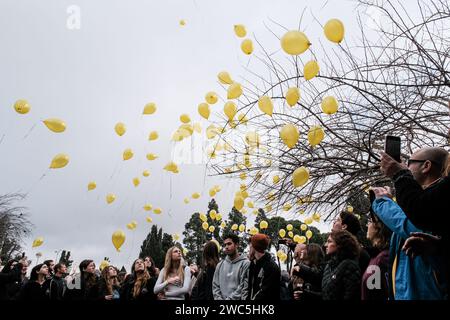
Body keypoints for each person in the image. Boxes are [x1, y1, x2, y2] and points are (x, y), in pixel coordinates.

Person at [380, 147, 449, 290]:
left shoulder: (433, 203)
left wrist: (400, 175)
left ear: (426, 166)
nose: (405, 166)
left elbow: (418, 215)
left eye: (409, 162)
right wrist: (439, 247)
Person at [371, 187, 446, 300]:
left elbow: (414, 229)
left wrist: (383, 203)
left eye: (408, 168)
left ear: (426, 167)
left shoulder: (438, 201)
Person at [322, 230, 361, 300]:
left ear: (340, 244)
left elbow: (351, 296)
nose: (325, 245)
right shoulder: (329, 265)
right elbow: (326, 295)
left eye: (329, 241)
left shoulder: (350, 266)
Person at [361, 211, 391, 300]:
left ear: (378, 226)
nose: (367, 225)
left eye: (370, 221)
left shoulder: (384, 258)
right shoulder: (376, 256)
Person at [213, 233, 250, 300]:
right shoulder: (220, 265)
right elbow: (215, 286)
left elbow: (242, 287)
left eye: (229, 244)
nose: (226, 247)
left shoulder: (245, 263)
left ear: (237, 245)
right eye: (225, 245)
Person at [247, 234, 280, 300]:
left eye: (250, 245)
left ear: (254, 247)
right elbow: (250, 288)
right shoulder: (253, 264)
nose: (249, 248)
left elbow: (265, 291)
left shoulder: (272, 267)